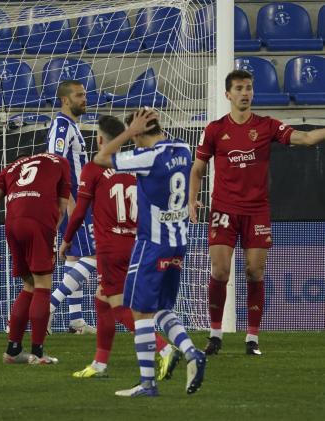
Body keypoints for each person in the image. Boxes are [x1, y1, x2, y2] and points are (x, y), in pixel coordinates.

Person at [189, 70, 325, 356]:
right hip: (223, 208)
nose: (245, 93)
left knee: (255, 271)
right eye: (239, 88)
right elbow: (198, 168)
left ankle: (252, 338)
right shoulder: (214, 129)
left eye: (249, 88)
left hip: (256, 210)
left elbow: (306, 138)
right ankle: (215, 335)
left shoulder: (266, 126)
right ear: (228, 94)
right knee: (221, 271)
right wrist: (192, 199)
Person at [93, 109, 206, 397]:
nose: (134, 143)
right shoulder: (182, 147)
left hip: (151, 245)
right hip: (179, 242)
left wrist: (129, 131)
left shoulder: (148, 157)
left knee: (140, 311)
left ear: (141, 131)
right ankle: (191, 351)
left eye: (136, 136)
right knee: (163, 309)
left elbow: (101, 158)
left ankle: (147, 384)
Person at [63, 116, 181, 381]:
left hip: (110, 248)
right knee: (102, 301)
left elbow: (80, 211)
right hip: (139, 243)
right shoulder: (134, 163)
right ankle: (99, 363)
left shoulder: (93, 168)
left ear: (100, 139)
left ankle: (164, 349)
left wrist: (67, 239)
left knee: (119, 307)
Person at [0, 151, 70, 364]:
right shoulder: (60, 162)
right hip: (38, 222)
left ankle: (12, 351)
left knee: (29, 285)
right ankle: (38, 354)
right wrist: (51, 233)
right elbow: (62, 206)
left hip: (12, 224)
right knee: (43, 285)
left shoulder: (9, 169)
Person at [45, 80, 97, 334]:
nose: (84, 99)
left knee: (75, 257)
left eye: (85, 94)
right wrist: (70, 204)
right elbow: (54, 164)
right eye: (79, 95)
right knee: (94, 255)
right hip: (73, 202)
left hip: (77, 200)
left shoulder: (72, 127)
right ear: (65, 100)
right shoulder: (61, 126)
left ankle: (75, 321)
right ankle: (50, 305)